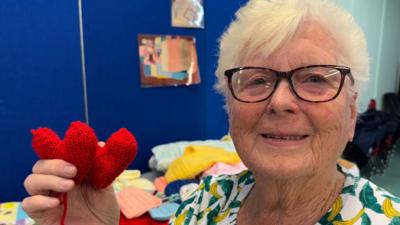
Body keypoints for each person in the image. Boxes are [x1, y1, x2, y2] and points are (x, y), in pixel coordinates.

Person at [22, 0, 400, 224]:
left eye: (315, 78)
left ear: (351, 114)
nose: (281, 101)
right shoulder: (203, 202)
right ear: (231, 109)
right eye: (256, 80)